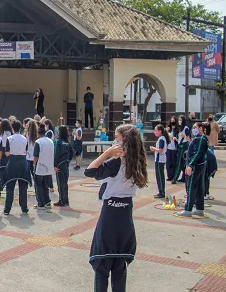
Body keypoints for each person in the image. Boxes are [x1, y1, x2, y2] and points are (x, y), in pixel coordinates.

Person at [84, 124, 147, 292]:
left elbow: (89, 171)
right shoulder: (138, 160)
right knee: (119, 265)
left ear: (123, 141)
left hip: (110, 213)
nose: (114, 142)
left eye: (116, 139)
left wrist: (107, 154)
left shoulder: (116, 162)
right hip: (126, 214)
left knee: (102, 264)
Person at [178, 122, 210, 217]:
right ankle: (199, 209)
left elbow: (198, 153)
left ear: (200, 128)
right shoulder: (199, 139)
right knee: (200, 187)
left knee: (191, 187)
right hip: (199, 165)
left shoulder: (201, 139)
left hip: (196, 166)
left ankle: (188, 209)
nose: (193, 130)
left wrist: (190, 165)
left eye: (195, 128)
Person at [2, 120, 31, 215]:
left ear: (12, 128)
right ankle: (24, 208)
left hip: (13, 162)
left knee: (10, 186)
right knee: (23, 186)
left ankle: (7, 209)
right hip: (23, 162)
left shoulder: (9, 138)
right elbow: (26, 152)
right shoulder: (24, 138)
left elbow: (6, 153)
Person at [33, 124, 54, 210]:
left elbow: (36, 157)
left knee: (38, 185)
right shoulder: (50, 141)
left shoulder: (38, 142)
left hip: (40, 167)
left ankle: (40, 203)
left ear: (38, 133)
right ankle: (47, 202)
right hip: (49, 167)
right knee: (46, 186)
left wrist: (34, 164)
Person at [54, 126, 73, 207]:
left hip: (59, 165)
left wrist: (55, 165)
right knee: (65, 183)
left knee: (60, 183)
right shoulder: (68, 142)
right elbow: (72, 153)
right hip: (66, 164)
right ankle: (66, 200)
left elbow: (56, 154)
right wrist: (68, 161)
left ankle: (61, 201)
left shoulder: (59, 142)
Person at [150, 124, 168, 199]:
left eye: (156, 130)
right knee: (160, 176)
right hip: (160, 159)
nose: (155, 132)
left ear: (160, 131)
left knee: (160, 176)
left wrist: (153, 148)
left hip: (159, 160)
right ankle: (161, 191)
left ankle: (161, 192)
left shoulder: (161, 139)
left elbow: (160, 150)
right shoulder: (162, 138)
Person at [172, 115, 190, 184]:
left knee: (179, 162)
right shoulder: (180, 128)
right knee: (182, 163)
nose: (179, 121)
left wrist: (184, 136)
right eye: (179, 120)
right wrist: (176, 139)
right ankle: (184, 177)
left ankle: (175, 178)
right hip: (180, 145)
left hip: (184, 146)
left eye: (180, 120)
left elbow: (189, 139)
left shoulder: (186, 128)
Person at [166, 117, 179, 182]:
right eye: (171, 121)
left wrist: (175, 138)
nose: (172, 122)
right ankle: (169, 175)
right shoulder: (168, 128)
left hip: (174, 147)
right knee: (168, 162)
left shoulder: (177, 129)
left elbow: (179, 138)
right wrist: (166, 130)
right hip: (168, 147)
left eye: (173, 121)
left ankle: (174, 175)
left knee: (174, 162)